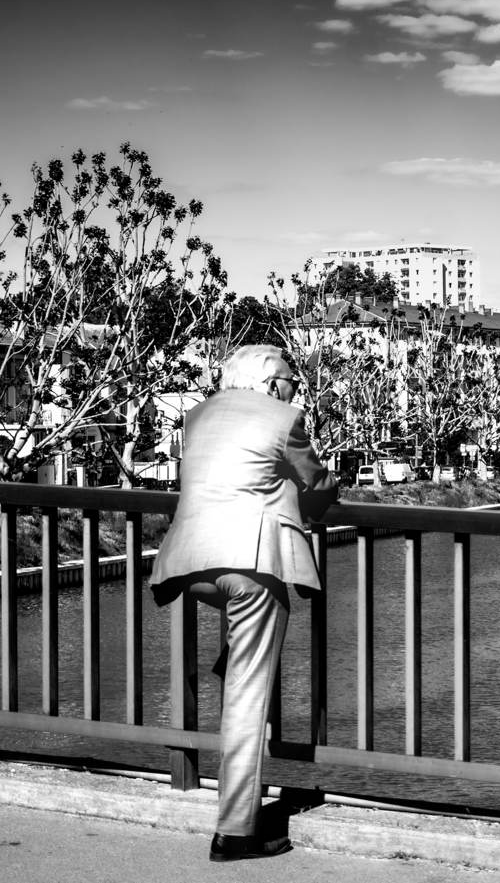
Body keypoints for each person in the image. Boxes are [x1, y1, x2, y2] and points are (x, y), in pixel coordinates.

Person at [149, 345, 337, 862]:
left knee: (246, 632)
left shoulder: (198, 414)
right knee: (247, 700)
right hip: (251, 562)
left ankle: (231, 658)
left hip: (189, 564)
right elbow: (315, 483)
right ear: (270, 383)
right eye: (291, 380)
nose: (296, 389)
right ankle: (236, 832)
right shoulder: (284, 417)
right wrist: (322, 495)